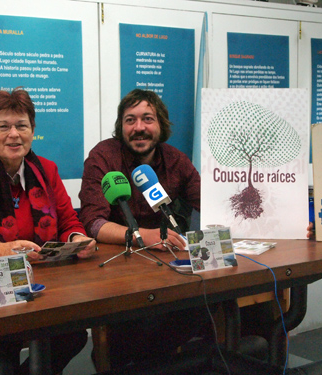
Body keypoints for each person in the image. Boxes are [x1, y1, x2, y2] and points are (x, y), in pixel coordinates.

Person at [0, 87, 96, 375]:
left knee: (72, 335)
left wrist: (77, 238)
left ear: (32, 130)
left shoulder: (47, 170)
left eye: (21, 126)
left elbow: (69, 223)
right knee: (0, 346)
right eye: (3, 127)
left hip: (45, 290)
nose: (14, 134)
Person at [79, 89, 210, 368]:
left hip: (166, 270)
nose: (139, 128)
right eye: (130, 120)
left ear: (160, 124)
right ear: (121, 126)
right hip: (118, 274)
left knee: (205, 304)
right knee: (133, 338)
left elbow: (211, 204)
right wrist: (140, 237)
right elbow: (93, 223)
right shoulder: (104, 156)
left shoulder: (175, 161)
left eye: (147, 119)